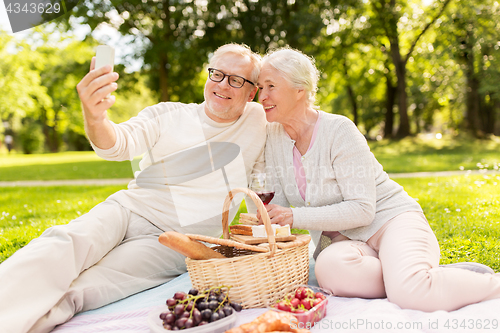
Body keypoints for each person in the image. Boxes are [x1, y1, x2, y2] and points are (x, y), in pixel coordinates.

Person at [0, 43, 266, 333]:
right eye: (217, 74)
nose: (223, 85)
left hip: (173, 241)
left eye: (236, 80)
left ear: (252, 92)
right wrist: (96, 117)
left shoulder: (259, 122)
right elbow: (118, 144)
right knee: (63, 243)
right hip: (128, 209)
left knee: (84, 289)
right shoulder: (167, 114)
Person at [256, 47, 500, 312]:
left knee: (410, 294)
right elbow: (277, 208)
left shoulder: (339, 130)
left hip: (391, 222)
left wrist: (295, 216)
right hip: (349, 244)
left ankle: (464, 282)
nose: (262, 96)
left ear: (299, 89)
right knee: (328, 270)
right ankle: (414, 273)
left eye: (271, 86)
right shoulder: (273, 136)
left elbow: (362, 209)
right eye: (260, 87)